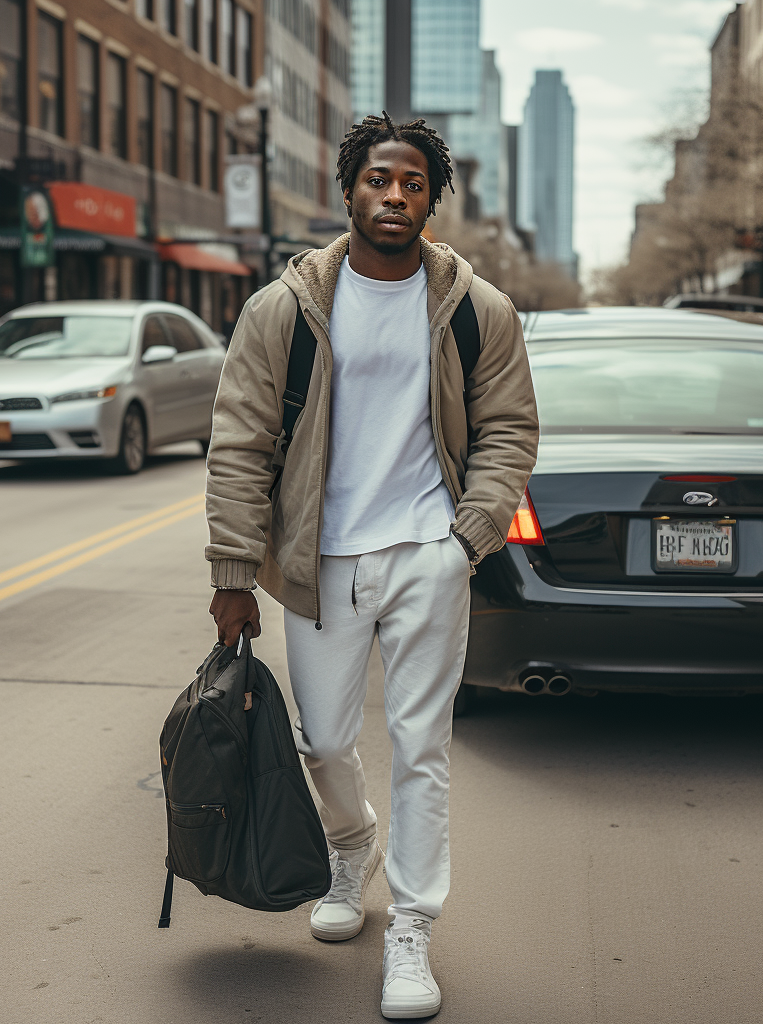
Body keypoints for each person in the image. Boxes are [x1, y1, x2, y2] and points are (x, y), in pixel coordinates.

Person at [205, 112, 539, 1019]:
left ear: (432, 200)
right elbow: (239, 444)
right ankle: (350, 847)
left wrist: (468, 537)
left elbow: (510, 427)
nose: (395, 195)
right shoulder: (285, 307)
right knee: (322, 739)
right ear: (349, 188)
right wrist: (235, 574)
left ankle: (412, 930)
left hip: (429, 552)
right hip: (320, 561)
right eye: (380, 180)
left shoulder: (477, 309)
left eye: (414, 184)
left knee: (423, 749)